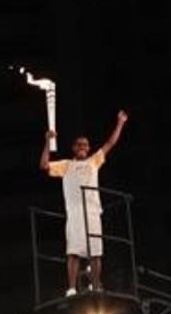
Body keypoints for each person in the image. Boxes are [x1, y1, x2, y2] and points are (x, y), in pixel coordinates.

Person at [40, 110, 128, 296]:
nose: (82, 146)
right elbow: (44, 165)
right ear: (74, 148)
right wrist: (48, 141)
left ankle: (96, 285)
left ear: (88, 148)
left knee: (95, 252)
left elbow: (110, 143)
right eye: (79, 144)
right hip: (74, 213)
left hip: (92, 211)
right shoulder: (66, 165)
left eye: (85, 144)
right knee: (73, 251)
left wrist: (120, 122)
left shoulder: (93, 161)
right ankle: (71, 288)